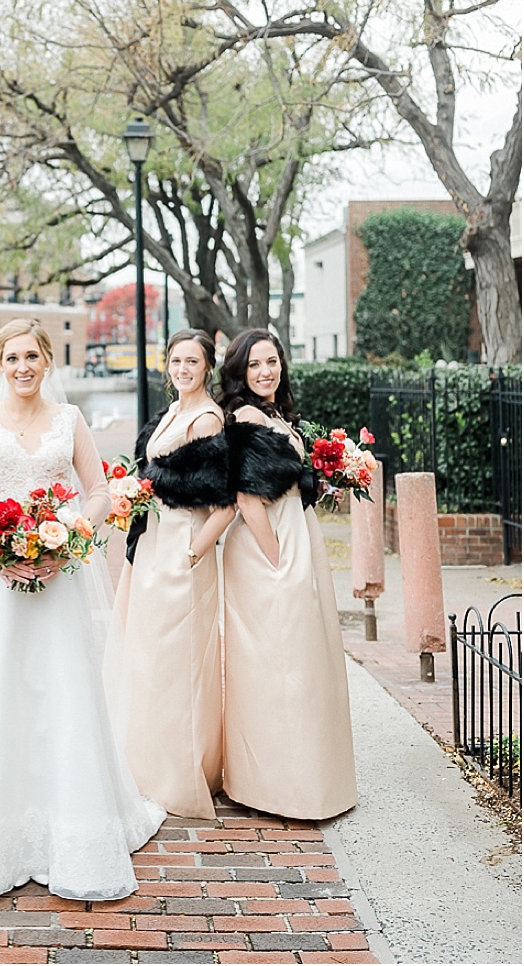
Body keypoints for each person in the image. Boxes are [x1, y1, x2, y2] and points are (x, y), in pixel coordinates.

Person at [0, 319, 165, 901]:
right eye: (12, 357)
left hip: (58, 577)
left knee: (62, 688)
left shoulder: (70, 422)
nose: (22, 367)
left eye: (32, 356)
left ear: (48, 360)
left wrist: (68, 538)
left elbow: (99, 493)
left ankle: (72, 825)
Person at [218, 329, 357, 820]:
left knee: (299, 661)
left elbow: (283, 480)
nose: (265, 372)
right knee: (280, 664)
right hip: (267, 546)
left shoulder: (275, 414)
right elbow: (247, 497)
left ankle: (306, 776)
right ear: (240, 372)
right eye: (254, 365)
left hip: (294, 534)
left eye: (271, 362)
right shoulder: (246, 418)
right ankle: (276, 785)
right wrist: (276, 557)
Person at [114, 329, 234, 819]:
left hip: (182, 547)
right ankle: (147, 763)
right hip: (154, 543)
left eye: (192, 361)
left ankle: (181, 772)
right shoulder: (173, 411)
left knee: (177, 661)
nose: (182, 369)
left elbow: (224, 504)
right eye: (175, 360)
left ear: (207, 367)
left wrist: (190, 554)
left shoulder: (206, 418)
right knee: (149, 658)